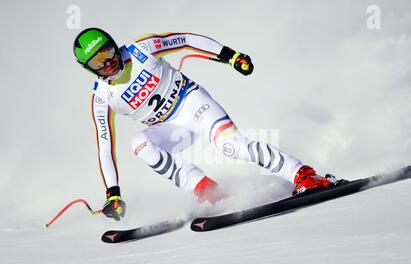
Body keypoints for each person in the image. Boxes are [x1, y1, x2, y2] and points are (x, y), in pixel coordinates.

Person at [73, 28, 332, 221]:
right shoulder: (101, 98)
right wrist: (113, 194)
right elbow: (104, 149)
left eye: (107, 51)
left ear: (113, 44)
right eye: (97, 61)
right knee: (139, 144)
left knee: (232, 147)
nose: (107, 62)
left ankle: (303, 175)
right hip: (172, 128)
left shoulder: (141, 49)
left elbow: (184, 40)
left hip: (193, 105)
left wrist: (230, 56)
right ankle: (206, 189)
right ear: (89, 68)